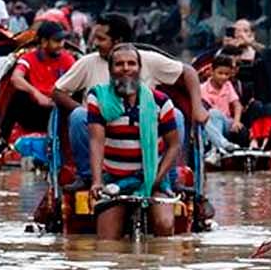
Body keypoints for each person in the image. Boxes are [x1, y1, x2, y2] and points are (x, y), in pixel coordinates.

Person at [53, 12, 205, 184]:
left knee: (175, 115)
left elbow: (188, 72)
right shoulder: (89, 64)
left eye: (101, 39)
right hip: (103, 130)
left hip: (144, 129)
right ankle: (88, 177)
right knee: (78, 116)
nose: (95, 44)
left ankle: (167, 177)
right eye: (119, 65)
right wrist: (84, 110)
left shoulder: (146, 60)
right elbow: (58, 91)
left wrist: (197, 107)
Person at [86, 44, 183, 240]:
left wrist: (155, 178)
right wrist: (96, 181)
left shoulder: (161, 101)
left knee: (165, 225)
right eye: (119, 64)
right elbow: (96, 141)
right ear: (111, 70)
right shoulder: (98, 97)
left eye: (131, 63)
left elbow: (173, 145)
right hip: (114, 179)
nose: (126, 68)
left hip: (154, 179)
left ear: (139, 68)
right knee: (107, 243)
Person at [0, 21, 76, 145]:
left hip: (59, 108)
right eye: (56, 41)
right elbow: (16, 78)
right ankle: (2, 141)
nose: (61, 45)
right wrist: (36, 93)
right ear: (44, 42)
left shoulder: (67, 59)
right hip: (35, 111)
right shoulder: (28, 58)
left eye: (62, 41)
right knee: (18, 96)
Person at [200, 53, 244, 154]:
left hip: (226, 123)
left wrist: (237, 121)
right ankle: (221, 146)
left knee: (215, 113)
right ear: (212, 71)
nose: (223, 77)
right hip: (208, 126)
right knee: (211, 115)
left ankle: (217, 147)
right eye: (220, 73)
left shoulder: (228, 86)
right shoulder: (201, 88)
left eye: (226, 74)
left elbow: (237, 105)